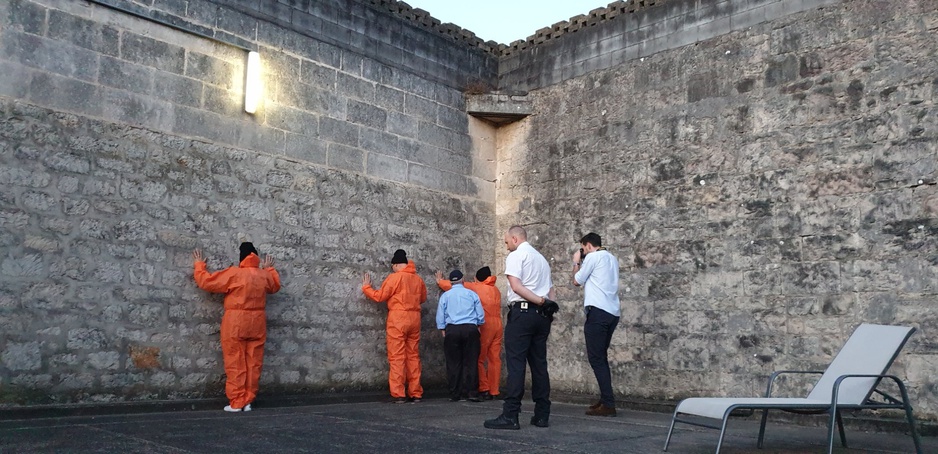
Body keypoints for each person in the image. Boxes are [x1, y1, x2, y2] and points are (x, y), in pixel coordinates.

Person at [192, 242, 281, 412]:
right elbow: (275, 286)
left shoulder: (234, 274)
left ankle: (237, 401)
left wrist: (199, 265)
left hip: (236, 321)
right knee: (253, 363)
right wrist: (269, 269)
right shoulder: (263, 275)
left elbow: (207, 282)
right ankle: (247, 400)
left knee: (235, 361)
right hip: (258, 322)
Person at [484, 226, 557, 430]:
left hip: (524, 313)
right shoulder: (541, 259)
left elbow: (516, 286)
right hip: (542, 317)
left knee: (516, 365)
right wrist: (548, 306)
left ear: (515, 239)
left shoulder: (518, 256)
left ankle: (511, 414)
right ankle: (542, 414)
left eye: (507, 242)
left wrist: (540, 302)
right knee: (539, 365)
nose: (506, 247)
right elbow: (551, 289)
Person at [362, 249, 428, 403]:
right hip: (415, 317)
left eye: (393, 266)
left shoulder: (395, 278)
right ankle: (416, 392)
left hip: (398, 318)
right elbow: (423, 298)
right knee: (413, 356)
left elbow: (380, 296)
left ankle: (399, 394)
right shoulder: (418, 280)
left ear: (397, 265)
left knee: (397, 356)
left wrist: (366, 288)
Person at [436, 266, 503, 400]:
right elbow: (479, 312)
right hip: (495, 324)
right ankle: (492, 390)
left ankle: (479, 388)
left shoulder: (475, 288)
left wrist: (440, 281)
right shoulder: (495, 290)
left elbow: (451, 288)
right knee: (492, 359)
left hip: (476, 326)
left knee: (473, 360)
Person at [572, 232, 621, 417]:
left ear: (588, 245)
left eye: (583, 248)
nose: (583, 252)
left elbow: (576, 281)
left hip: (598, 312)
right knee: (601, 357)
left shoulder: (592, 257)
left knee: (596, 358)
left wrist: (577, 261)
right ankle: (605, 399)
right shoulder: (612, 258)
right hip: (612, 312)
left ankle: (609, 404)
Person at [435, 269, 485, 402]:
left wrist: (442, 328)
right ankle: (472, 392)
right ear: (463, 280)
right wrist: (478, 325)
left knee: (453, 362)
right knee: (471, 361)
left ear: (451, 282)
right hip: (470, 328)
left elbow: (441, 315)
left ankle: (455, 393)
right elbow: (480, 314)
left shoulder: (445, 296)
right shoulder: (471, 294)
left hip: (452, 329)